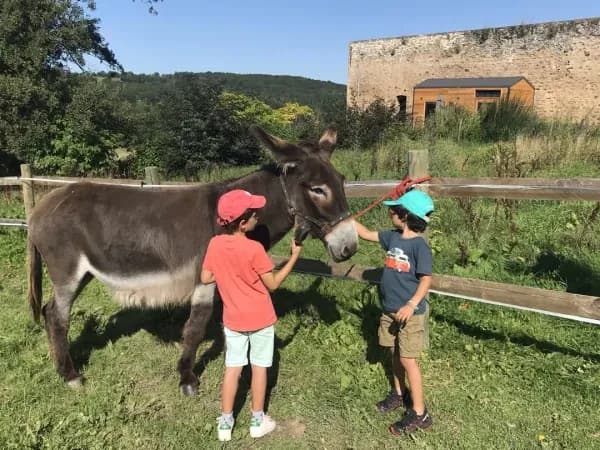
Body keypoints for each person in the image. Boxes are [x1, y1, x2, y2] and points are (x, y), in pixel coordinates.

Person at [200, 189, 303, 442]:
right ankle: (258, 421)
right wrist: (293, 258)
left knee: (232, 369)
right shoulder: (254, 249)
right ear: (243, 223)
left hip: (233, 320)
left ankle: (225, 424)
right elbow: (274, 283)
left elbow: (205, 277)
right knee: (258, 369)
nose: (258, 216)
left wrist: (224, 272)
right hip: (260, 320)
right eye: (254, 213)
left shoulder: (214, 244)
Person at [353, 189, 435, 435]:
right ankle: (399, 394)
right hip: (389, 311)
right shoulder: (392, 237)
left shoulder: (420, 247)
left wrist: (411, 304)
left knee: (408, 359)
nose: (390, 212)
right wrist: (347, 219)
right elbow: (366, 233)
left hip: (410, 315)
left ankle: (420, 413)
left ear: (405, 215)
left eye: (394, 209)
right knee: (394, 353)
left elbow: (426, 280)